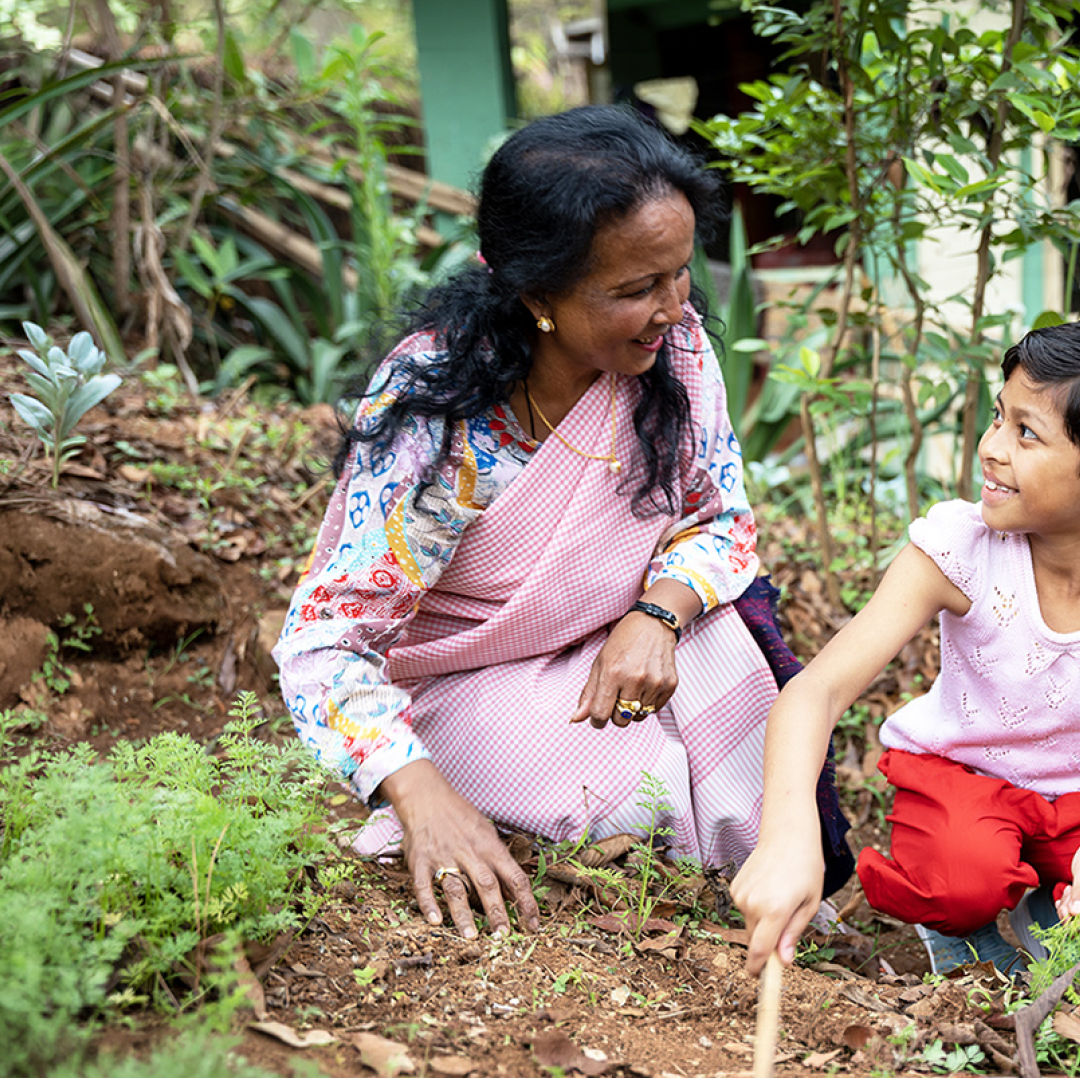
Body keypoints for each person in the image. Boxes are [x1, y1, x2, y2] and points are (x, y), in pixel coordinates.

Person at [274, 104, 851, 941]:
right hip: (466, 681)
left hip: (612, 638)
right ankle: (693, 913)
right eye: (634, 289)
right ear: (537, 293)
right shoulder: (435, 405)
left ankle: (781, 900)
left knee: (732, 670)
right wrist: (416, 789)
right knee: (629, 781)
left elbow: (721, 519)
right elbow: (324, 644)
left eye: (680, 273)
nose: (672, 308)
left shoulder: (676, 356)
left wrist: (658, 614)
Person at [733, 322, 1080, 977]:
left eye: (1026, 433)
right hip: (969, 783)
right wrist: (787, 836)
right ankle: (964, 929)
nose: (992, 448)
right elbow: (817, 691)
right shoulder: (963, 550)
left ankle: (1047, 907)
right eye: (998, 418)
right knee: (961, 874)